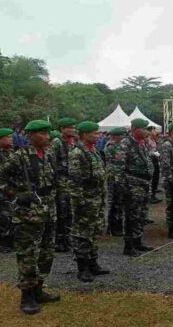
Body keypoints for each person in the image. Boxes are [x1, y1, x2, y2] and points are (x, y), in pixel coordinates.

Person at [0, 120, 60, 315]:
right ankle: (26, 296)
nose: (47, 137)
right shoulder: (19, 156)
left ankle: (39, 290)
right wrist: (15, 194)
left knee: (46, 252)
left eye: (48, 133)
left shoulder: (49, 153)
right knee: (28, 254)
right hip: (28, 213)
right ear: (31, 135)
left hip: (48, 209)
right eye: (43, 133)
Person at [68, 121, 110, 282]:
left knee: (94, 232)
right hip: (85, 201)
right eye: (94, 133)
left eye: (98, 133)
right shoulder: (77, 153)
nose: (98, 136)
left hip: (96, 199)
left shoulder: (94, 151)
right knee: (83, 234)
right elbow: (75, 181)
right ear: (84, 135)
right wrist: (80, 203)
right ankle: (82, 267)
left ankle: (93, 263)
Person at [117, 118, 155, 257]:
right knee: (132, 216)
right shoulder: (126, 143)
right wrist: (123, 188)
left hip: (144, 184)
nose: (146, 131)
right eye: (143, 129)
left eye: (146, 129)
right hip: (132, 184)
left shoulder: (142, 143)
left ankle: (138, 241)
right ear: (134, 129)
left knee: (141, 215)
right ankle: (128, 245)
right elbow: (119, 168)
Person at [51, 117, 77, 253]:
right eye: (70, 128)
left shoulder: (71, 142)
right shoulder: (57, 142)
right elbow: (52, 163)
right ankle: (59, 241)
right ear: (62, 129)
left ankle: (67, 239)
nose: (73, 130)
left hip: (70, 182)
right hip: (61, 183)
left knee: (69, 212)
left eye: (73, 127)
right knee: (61, 212)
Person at [103, 127, 127, 236]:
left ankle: (117, 225)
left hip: (120, 176)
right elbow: (118, 160)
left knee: (120, 201)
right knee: (113, 201)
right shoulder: (111, 146)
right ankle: (112, 227)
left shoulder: (120, 145)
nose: (122, 137)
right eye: (120, 135)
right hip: (113, 177)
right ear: (115, 136)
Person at [146, 127, 162, 204]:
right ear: (149, 132)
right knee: (151, 180)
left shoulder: (154, 140)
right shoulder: (147, 141)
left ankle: (153, 195)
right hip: (150, 161)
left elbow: (155, 149)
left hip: (155, 160)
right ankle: (150, 196)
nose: (155, 132)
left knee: (156, 178)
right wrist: (154, 153)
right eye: (154, 130)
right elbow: (146, 152)